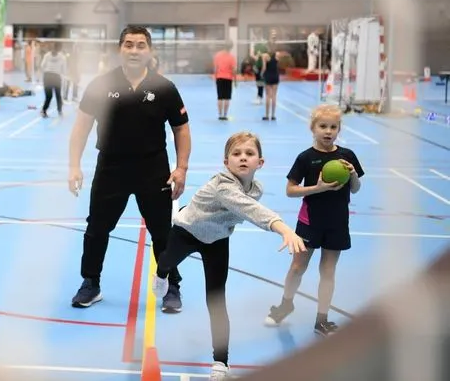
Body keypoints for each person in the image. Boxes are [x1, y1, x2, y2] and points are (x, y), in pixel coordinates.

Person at [152, 132, 306, 380]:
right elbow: (250, 210)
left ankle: (220, 363)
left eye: (249, 154)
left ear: (260, 162)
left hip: (217, 241)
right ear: (226, 163)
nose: (243, 158)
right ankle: (161, 274)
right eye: (236, 154)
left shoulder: (256, 189)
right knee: (167, 261)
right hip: (187, 231)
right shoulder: (224, 184)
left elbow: (247, 206)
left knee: (216, 300)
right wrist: (283, 228)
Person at [67, 26, 191, 313]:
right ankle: (91, 283)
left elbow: (181, 131)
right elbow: (80, 128)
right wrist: (74, 166)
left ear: (150, 51)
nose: (134, 51)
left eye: (140, 45)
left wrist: (181, 168)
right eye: (128, 45)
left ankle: (172, 286)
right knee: (97, 228)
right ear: (119, 49)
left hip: (153, 167)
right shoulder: (100, 85)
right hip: (111, 167)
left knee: (162, 231)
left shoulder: (165, 88)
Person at [265, 104, 364, 336]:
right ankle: (285, 305)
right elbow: (290, 190)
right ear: (313, 128)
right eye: (323, 126)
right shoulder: (305, 158)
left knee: (328, 271)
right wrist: (317, 188)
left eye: (333, 127)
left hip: (338, 222)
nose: (328, 131)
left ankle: (322, 319)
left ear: (339, 129)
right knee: (298, 267)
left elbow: (356, 189)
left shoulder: (347, 156)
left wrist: (352, 175)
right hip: (310, 221)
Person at [40, 42, 68, 117]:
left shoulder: (47, 55)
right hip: (56, 77)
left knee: (49, 96)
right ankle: (60, 111)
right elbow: (64, 70)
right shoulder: (62, 57)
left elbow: (42, 66)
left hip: (47, 76)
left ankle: (44, 110)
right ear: (60, 49)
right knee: (58, 95)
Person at [213, 42, 237, 120]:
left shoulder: (217, 55)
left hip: (219, 77)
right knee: (227, 97)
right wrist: (235, 80)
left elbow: (215, 68)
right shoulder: (232, 57)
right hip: (228, 78)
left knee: (220, 97)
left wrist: (216, 77)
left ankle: (220, 115)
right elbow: (233, 70)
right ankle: (225, 115)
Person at [261, 46, 280, 120]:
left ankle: (266, 115)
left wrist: (261, 74)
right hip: (275, 76)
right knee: (274, 96)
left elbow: (264, 67)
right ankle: (273, 115)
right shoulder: (277, 54)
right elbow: (277, 64)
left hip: (268, 76)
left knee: (268, 96)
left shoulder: (265, 56)